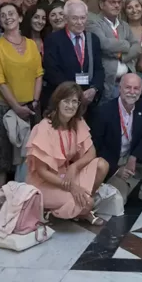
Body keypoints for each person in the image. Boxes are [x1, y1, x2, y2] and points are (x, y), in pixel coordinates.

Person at [26, 82, 110, 225]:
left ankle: (77, 207)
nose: (70, 106)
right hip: (45, 182)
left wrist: (74, 167)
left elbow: (92, 152)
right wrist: (72, 187)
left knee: (102, 165)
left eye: (74, 101)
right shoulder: (44, 128)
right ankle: (53, 211)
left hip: (66, 175)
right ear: (57, 102)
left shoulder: (77, 122)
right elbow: (41, 172)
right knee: (87, 203)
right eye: (66, 101)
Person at [0, 2, 43, 193]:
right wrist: (16, 107)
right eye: (3, 15)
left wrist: (34, 101)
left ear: (20, 17)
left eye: (12, 13)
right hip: (4, 107)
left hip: (31, 107)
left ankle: (26, 199)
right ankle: (1, 204)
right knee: (2, 157)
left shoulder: (31, 44)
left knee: (28, 156)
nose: (8, 17)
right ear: (0, 22)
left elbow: (38, 73)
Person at [42, 0, 106, 139]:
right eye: (75, 18)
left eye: (82, 18)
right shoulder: (53, 40)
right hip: (65, 101)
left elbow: (99, 69)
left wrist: (94, 89)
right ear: (66, 19)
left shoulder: (93, 39)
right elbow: (52, 71)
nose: (79, 22)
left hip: (89, 102)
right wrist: (74, 94)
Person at [102, 73, 142, 208]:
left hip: (132, 157)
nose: (132, 92)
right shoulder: (105, 111)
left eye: (136, 88)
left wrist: (134, 156)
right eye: (128, 87)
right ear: (120, 88)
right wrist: (116, 169)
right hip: (114, 161)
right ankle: (127, 185)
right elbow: (98, 147)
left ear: (141, 90)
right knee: (118, 202)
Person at [88, 0, 141, 102]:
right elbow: (104, 44)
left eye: (119, 2)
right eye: (112, 2)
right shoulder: (94, 22)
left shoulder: (124, 25)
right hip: (107, 83)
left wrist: (122, 56)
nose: (117, 6)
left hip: (127, 84)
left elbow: (137, 47)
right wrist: (127, 44)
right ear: (102, 4)